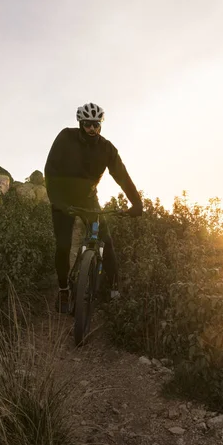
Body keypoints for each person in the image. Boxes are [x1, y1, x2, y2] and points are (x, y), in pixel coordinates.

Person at [44, 102, 143, 313]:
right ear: (81, 123)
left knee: (106, 242)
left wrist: (136, 202)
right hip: (63, 199)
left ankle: (114, 289)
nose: (92, 129)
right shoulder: (65, 138)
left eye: (96, 124)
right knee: (63, 246)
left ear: (101, 125)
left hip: (88, 199)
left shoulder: (107, 148)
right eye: (88, 124)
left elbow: (122, 176)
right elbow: (50, 170)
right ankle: (63, 290)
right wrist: (58, 201)